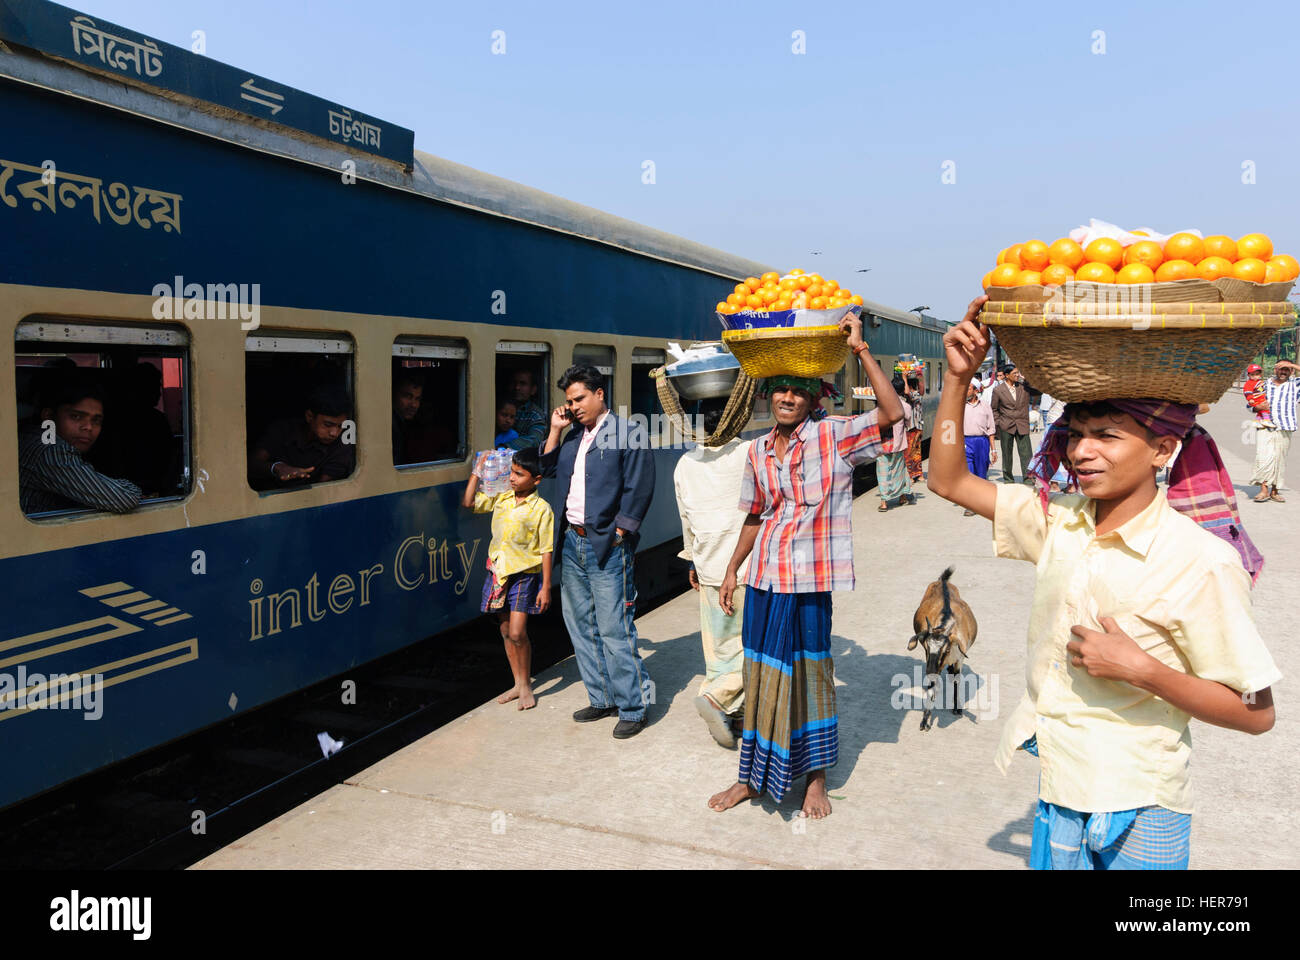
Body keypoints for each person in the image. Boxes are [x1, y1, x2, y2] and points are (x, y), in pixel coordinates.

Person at [929, 295, 1278, 870]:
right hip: (1061, 783)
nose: (1082, 451)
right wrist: (957, 380)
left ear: (1164, 449)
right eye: (1076, 433)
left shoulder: (1201, 560)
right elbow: (946, 479)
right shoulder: (1059, 521)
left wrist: (1143, 670)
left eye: (1108, 436)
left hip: (1142, 800)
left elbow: (1256, 711)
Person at [708, 313, 902, 820]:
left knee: (812, 674)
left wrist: (860, 350)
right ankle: (752, 778)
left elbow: (892, 412)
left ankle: (815, 779)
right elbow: (755, 515)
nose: (787, 398)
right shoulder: (756, 452)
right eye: (780, 390)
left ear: (815, 399)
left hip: (810, 581)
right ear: (769, 396)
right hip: (765, 580)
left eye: (798, 391)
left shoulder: (833, 436)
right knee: (762, 674)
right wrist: (732, 570)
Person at [541, 364, 655, 739]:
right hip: (572, 542)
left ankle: (633, 707)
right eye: (569, 401)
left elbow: (639, 486)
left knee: (614, 628)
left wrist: (622, 530)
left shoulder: (628, 433)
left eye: (579, 398)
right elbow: (547, 469)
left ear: (600, 394)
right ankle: (602, 697)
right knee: (581, 626)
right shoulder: (573, 436)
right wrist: (556, 430)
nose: (573, 406)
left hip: (607, 542)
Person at [673, 399, 752, 748]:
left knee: (719, 649)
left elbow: (687, 520)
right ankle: (716, 698)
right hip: (747, 569)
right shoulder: (752, 453)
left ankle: (734, 716)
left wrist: (692, 559)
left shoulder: (684, 463)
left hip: (709, 570)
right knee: (749, 647)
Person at [462, 447, 554, 710]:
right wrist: (477, 472)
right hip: (498, 573)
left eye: (519, 474)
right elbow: (469, 503)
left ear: (536, 480)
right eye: (512, 472)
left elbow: (546, 549)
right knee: (504, 630)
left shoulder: (541, 509)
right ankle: (517, 682)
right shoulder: (501, 497)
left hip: (525, 574)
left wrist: (546, 587)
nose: (512, 478)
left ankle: (525, 685)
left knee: (517, 631)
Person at [19, 369, 142, 515]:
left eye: (96, 420)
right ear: (49, 416)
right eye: (76, 417)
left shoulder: (31, 435)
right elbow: (124, 499)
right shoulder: (51, 450)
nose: (88, 427)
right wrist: (134, 488)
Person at [249, 384, 355, 489]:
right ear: (309, 417)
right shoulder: (283, 430)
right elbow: (252, 464)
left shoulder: (341, 446)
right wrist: (277, 467)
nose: (334, 433)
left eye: (340, 426)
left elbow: (323, 489)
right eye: (328, 425)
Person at [1251, 360, 1299, 503]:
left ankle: (1275, 491)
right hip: (1265, 425)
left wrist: (1294, 366)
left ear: (1291, 372)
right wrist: (1257, 407)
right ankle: (1264, 490)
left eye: (1287, 370)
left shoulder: (1295, 385)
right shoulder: (1264, 385)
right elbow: (1251, 402)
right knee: (1263, 457)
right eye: (1281, 369)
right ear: (1275, 370)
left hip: (1285, 426)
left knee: (1279, 459)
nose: (1283, 372)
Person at [875, 375, 915, 511]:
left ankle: (884, 502)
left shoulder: (882, 405)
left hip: (882, 444)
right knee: (899, 470)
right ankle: (902, 496)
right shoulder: (906, 406)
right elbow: (909, 424)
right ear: (903, 389)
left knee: (883, 472)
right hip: (897, 444)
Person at [991, 364, 1033, 483]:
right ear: (1006, 375)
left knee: (1026, 454)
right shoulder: (998, 390)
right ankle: (1008, 479)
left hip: (1022, 424)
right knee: (1007, 454)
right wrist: (998, 423)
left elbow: (1038, 391)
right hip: (1006, 425)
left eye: (1018, 373)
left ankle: (1028, 478)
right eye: (1014, 373)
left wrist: (1027, 379)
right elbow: (994, 408)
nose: (1017, 375)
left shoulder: (1024, 387)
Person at [961, 380, 996, 516]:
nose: (965, 391)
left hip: (982, 442)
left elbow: (991, 428)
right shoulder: (960, 406)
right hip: (966, 441)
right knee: (969, 473)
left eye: (968, 388)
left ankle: (981, 502)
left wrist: (993, 449)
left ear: (976, 390)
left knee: (981, 473)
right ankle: (971, 505)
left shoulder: (985, 406)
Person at [505, 369, 548, 452]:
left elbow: (535, 440)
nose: (517, 387)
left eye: (523, 384)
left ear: (533, 390)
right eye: (514, 383)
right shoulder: (501, 407)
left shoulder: (535, 415)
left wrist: (504, 447)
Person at [392, 372, 422, 465]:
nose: (414, 405)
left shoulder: (399, 423)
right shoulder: (390, 426)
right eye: (407, 397)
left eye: (417, 399)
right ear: (393, 394)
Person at [904, 373, 925, 483]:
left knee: (914, 451)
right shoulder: (910, 395)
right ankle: (914, 474)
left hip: (914, 426)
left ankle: (916, 474)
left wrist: (904, 378)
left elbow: (910, 392)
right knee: (912, 451)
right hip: (912, 426)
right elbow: (909, 392)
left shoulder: (914, 395)